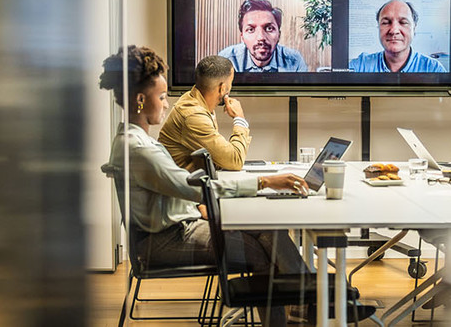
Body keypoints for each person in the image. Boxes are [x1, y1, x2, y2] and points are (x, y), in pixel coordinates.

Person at [100, 46, 308, 327]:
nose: (166, 104)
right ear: (140, 100)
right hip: (164, 240)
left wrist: (200, 205)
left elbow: (182, 188)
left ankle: (310, 302)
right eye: (161, 97)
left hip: (178, 225)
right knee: (262, 250)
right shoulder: (139, 149)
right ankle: (311, 303)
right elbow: (196, 187)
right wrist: (265, 181)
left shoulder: (136, 141)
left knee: (267, 228)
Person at [159, 55, 251, 171]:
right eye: (231, 82)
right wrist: (240, 118)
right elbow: (235, 160)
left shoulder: (197, 102)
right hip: (180, 186)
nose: (230, 87)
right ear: (222, 88)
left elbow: (217, 159)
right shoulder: (193, 115)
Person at [348, 0, 446, 73]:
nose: (394, 30)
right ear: (378, 27)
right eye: (386, 22)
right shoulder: (361, 65)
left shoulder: (433, 68)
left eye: (403, 22)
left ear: (414, 28)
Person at [218, 0, 308, 72]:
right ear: (242, 37)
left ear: (279, 35)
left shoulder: (295, 61)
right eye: (251, 30)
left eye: (269, 28)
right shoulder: (227, 60)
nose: (261, 37)